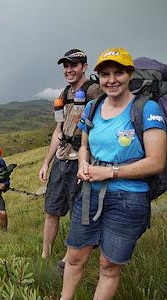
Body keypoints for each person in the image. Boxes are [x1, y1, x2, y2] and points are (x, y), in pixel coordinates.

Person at [61, 48, 166, 299]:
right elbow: (84, 145)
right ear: (98, 76)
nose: (112, 79)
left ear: (130, 74)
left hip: (129, 200)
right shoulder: (93, 107)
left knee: (108, 266)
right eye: (105, 73)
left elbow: (156, 162)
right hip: (89, 195)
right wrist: (83, 164)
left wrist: (110, 173)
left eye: (119, 72)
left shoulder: (147, 109)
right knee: (74, 257)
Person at [39, 49, 103, 268]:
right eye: (66, 66)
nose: (69, 70)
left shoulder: (94, 91)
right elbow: (59, 130)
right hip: (61, 159)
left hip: (81, 160)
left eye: (74, 65)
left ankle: (68, 260)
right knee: (51, 209)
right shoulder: (64, 94)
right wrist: (46, 162)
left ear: (84, 67)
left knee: (78, 211)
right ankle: (44, 257)